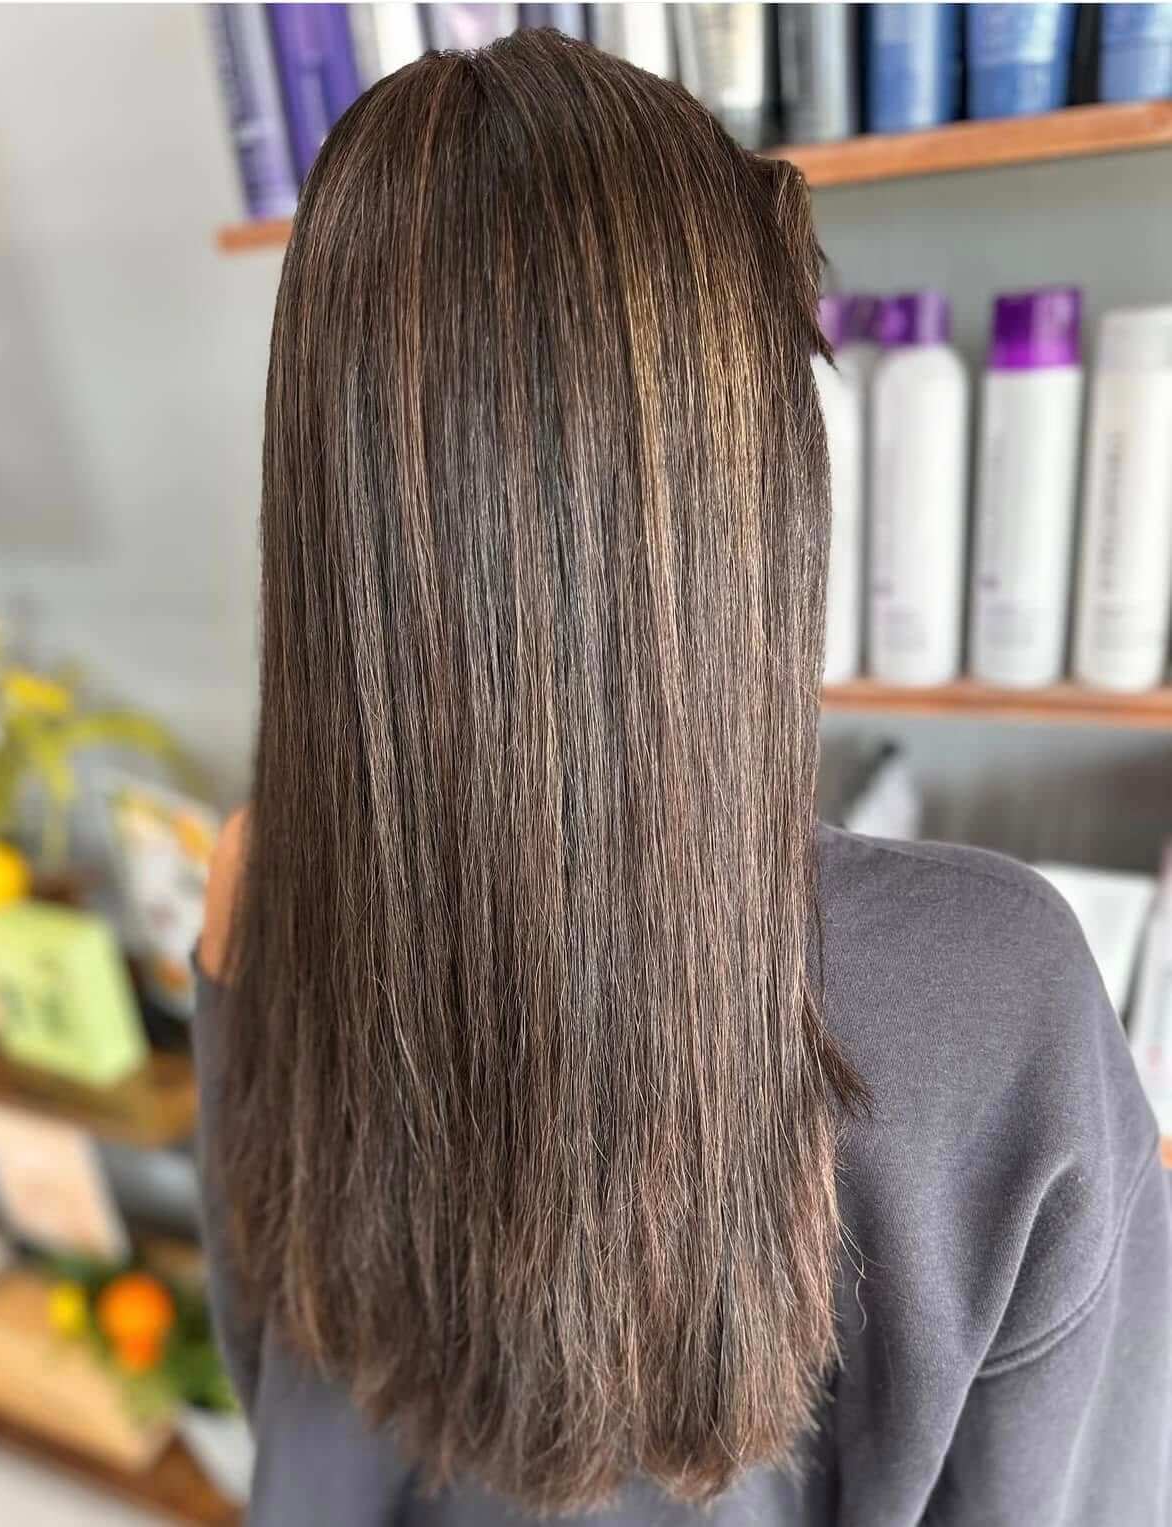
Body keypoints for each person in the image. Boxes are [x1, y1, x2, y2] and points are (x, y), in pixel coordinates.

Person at [196, 28, 1172, 1526]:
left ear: (330, 488)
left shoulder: (261, 881)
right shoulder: (995, 993)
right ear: (752, 475)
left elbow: (283, 1382)